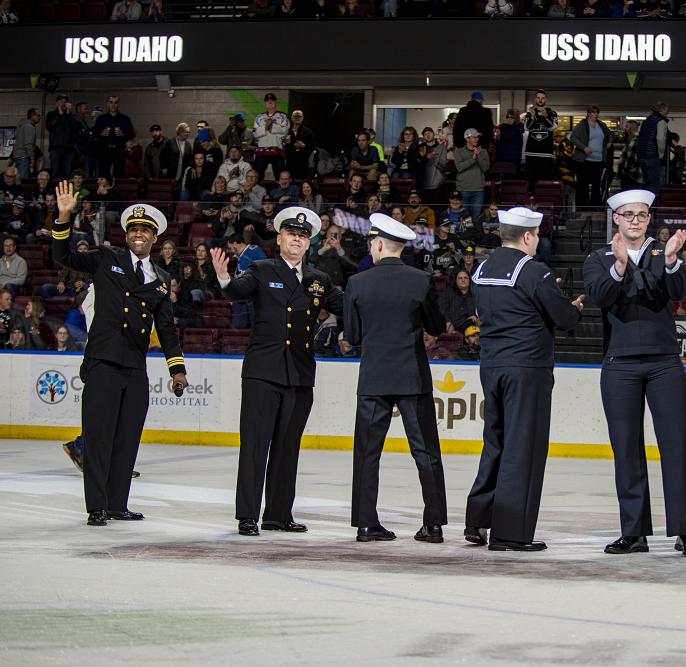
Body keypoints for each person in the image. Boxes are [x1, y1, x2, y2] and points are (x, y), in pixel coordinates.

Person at [52, 182, 189, 526]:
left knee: (127, 438)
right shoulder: (106, 258)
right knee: (98, 438)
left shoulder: (160, 278)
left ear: (154, 238)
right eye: (134, 229)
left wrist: (177, 369)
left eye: (145, 230)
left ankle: (117, 504)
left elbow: (167, 328)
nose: (139, 234)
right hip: (103, 363)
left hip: (134, 368)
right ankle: (97, 506)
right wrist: (64, 218)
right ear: (126, 234)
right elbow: (63, 257)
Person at [582, 190, 686, 558]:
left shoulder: (660, 253)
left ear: (649, 218)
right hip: (620, 364)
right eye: (629, 214)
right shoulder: (598, 258)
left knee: (677, 446)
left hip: (665, 362)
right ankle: (633, 532)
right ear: (615, 218)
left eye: (643, 214)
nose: (636, 220)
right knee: (626, 448)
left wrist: (670, 262)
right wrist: (620, 267)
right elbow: (600, 295)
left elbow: (679, 292)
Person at [210, 206, 343, 537]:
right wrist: (224, 277)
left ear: (308, 243)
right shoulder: (260, 268)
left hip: (299, 374)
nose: (297, 240)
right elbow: (236, 292)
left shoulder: (318, 280)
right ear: (280, 238)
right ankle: (247, 514)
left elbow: (351, 304)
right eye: (291, 235)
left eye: (302, 236)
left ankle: (278, 514)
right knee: (255, 444)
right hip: (263, 372)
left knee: (288, 447)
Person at [465, 207, 584, 551]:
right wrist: (572, 306)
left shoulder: (482, 269)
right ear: (528, 236)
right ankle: (511, 532)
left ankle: (478, 519)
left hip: (491, 365)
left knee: (496, 441)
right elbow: (563, 318)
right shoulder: (533, 271)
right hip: (526, 367)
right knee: (524, 447)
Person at [343, 213, 448, 543]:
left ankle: (365, 524)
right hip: (411, 378)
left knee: (367, 453)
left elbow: (354, 335)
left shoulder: (356, 283)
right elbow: (436, 326)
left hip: (373, 378)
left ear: (376, 245)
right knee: (425, 451)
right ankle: (433, 525)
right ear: (399, 248)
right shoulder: (421, 280)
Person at [570, 105, 613, 208]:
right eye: (593, 112)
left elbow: (610, 134)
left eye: (597, 112)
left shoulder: (601, 124)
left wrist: (609, 142)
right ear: (588, 114)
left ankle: (595, 207)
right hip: (584, 160)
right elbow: (573, 138)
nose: (595, 115)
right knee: (582, 185)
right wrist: (584, 147)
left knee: (596, 185)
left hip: (598, 161)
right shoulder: (582, 125)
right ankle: (582, 207)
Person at [523, 90, 559, 186]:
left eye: (542, 98)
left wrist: (546, 117)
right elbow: (527, 128)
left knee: (544, 184)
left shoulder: (552, 113)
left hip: (546, 153)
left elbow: (553, 128)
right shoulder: (530, 113)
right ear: (535, 99)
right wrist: (533, 117)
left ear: (546, 99)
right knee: (531, 183)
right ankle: (531, 201)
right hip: (531, 153)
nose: (540, 100)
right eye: (538, 98)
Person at [454, 129, 490, 220]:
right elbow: (459, 167)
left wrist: (478, 157)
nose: (477, 139)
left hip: (478, 189)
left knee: (476, 217)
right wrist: (472, 159)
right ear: (467, 138)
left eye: (477, 137)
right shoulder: (459, 152)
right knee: (463, 217)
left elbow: (485, 168)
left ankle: (476, 234)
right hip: (463, 189)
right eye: (474, 137)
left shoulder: (483, 151)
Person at [253, 93, 290, 180]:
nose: (270, 102)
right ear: (265, 103)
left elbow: (285, 130)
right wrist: (265, 127)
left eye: (272, 100)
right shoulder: (259, 117)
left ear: (276, 102)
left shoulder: (283, 116)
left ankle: (280, 192)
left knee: (280, 176)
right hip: (262, 149)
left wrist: (271, 127)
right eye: (267, 101)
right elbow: (255, 133)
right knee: (258, 175)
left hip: (277, 149)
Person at [637, 102, 670, 192]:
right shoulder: (661, 122)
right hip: (652, 156)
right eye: (667, 111)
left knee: (645, 183)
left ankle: (645, 204)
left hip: (642, 156)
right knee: (654, 185)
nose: (668, 113)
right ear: (662, 110)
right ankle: (653, 205)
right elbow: (660, 139)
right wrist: (661, 154)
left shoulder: (646, 121)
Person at [11, 107, 40, 180]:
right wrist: (32, 158)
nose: (39, 118)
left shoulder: (21, 126)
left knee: (18, 180)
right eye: (38, 115)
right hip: (24, 157)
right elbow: (28, 144)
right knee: (23, 180)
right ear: (32, 115)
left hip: (18, 157)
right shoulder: (29, 127)